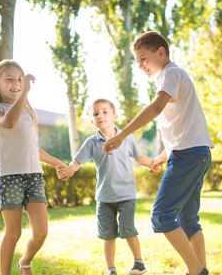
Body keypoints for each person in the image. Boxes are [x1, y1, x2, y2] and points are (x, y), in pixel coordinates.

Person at [102, 31, 214, 275]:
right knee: (188, 220)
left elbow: (155, 108)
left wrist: (122, 135)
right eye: (137, 61)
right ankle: (200, 269)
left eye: (143, 58)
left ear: (160, 52)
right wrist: (162, 156)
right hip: (196, 153)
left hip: (189, 156)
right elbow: (181, 129)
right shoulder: (173, 77)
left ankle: (196, 271)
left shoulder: (170, 74)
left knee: (161, 215)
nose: (140, 65)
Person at [0, 59, 66, 275]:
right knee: (13, 233)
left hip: (34, 176)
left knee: (41, 231)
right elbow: (8, 122)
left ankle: (25, 262)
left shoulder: (26, 112)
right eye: (10, 80)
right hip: (9, 177)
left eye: (18, 80)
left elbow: (33, 147)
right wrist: (25, 92)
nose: (16, 84)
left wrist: (57, 163)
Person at [58, 98, 157, 275]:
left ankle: (139, 263)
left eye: (105, 111)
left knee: (128, 229)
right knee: (107, 235)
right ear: (92, 120)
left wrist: (151, 163)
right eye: (95, 113)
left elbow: (139, 157)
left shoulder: (126, 137)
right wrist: (69, 170)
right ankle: (111, 269)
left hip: (126, 194)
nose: (100, 115)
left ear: (115, 116)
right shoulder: (91, 142)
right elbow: (77, 161)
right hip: (104, 197)